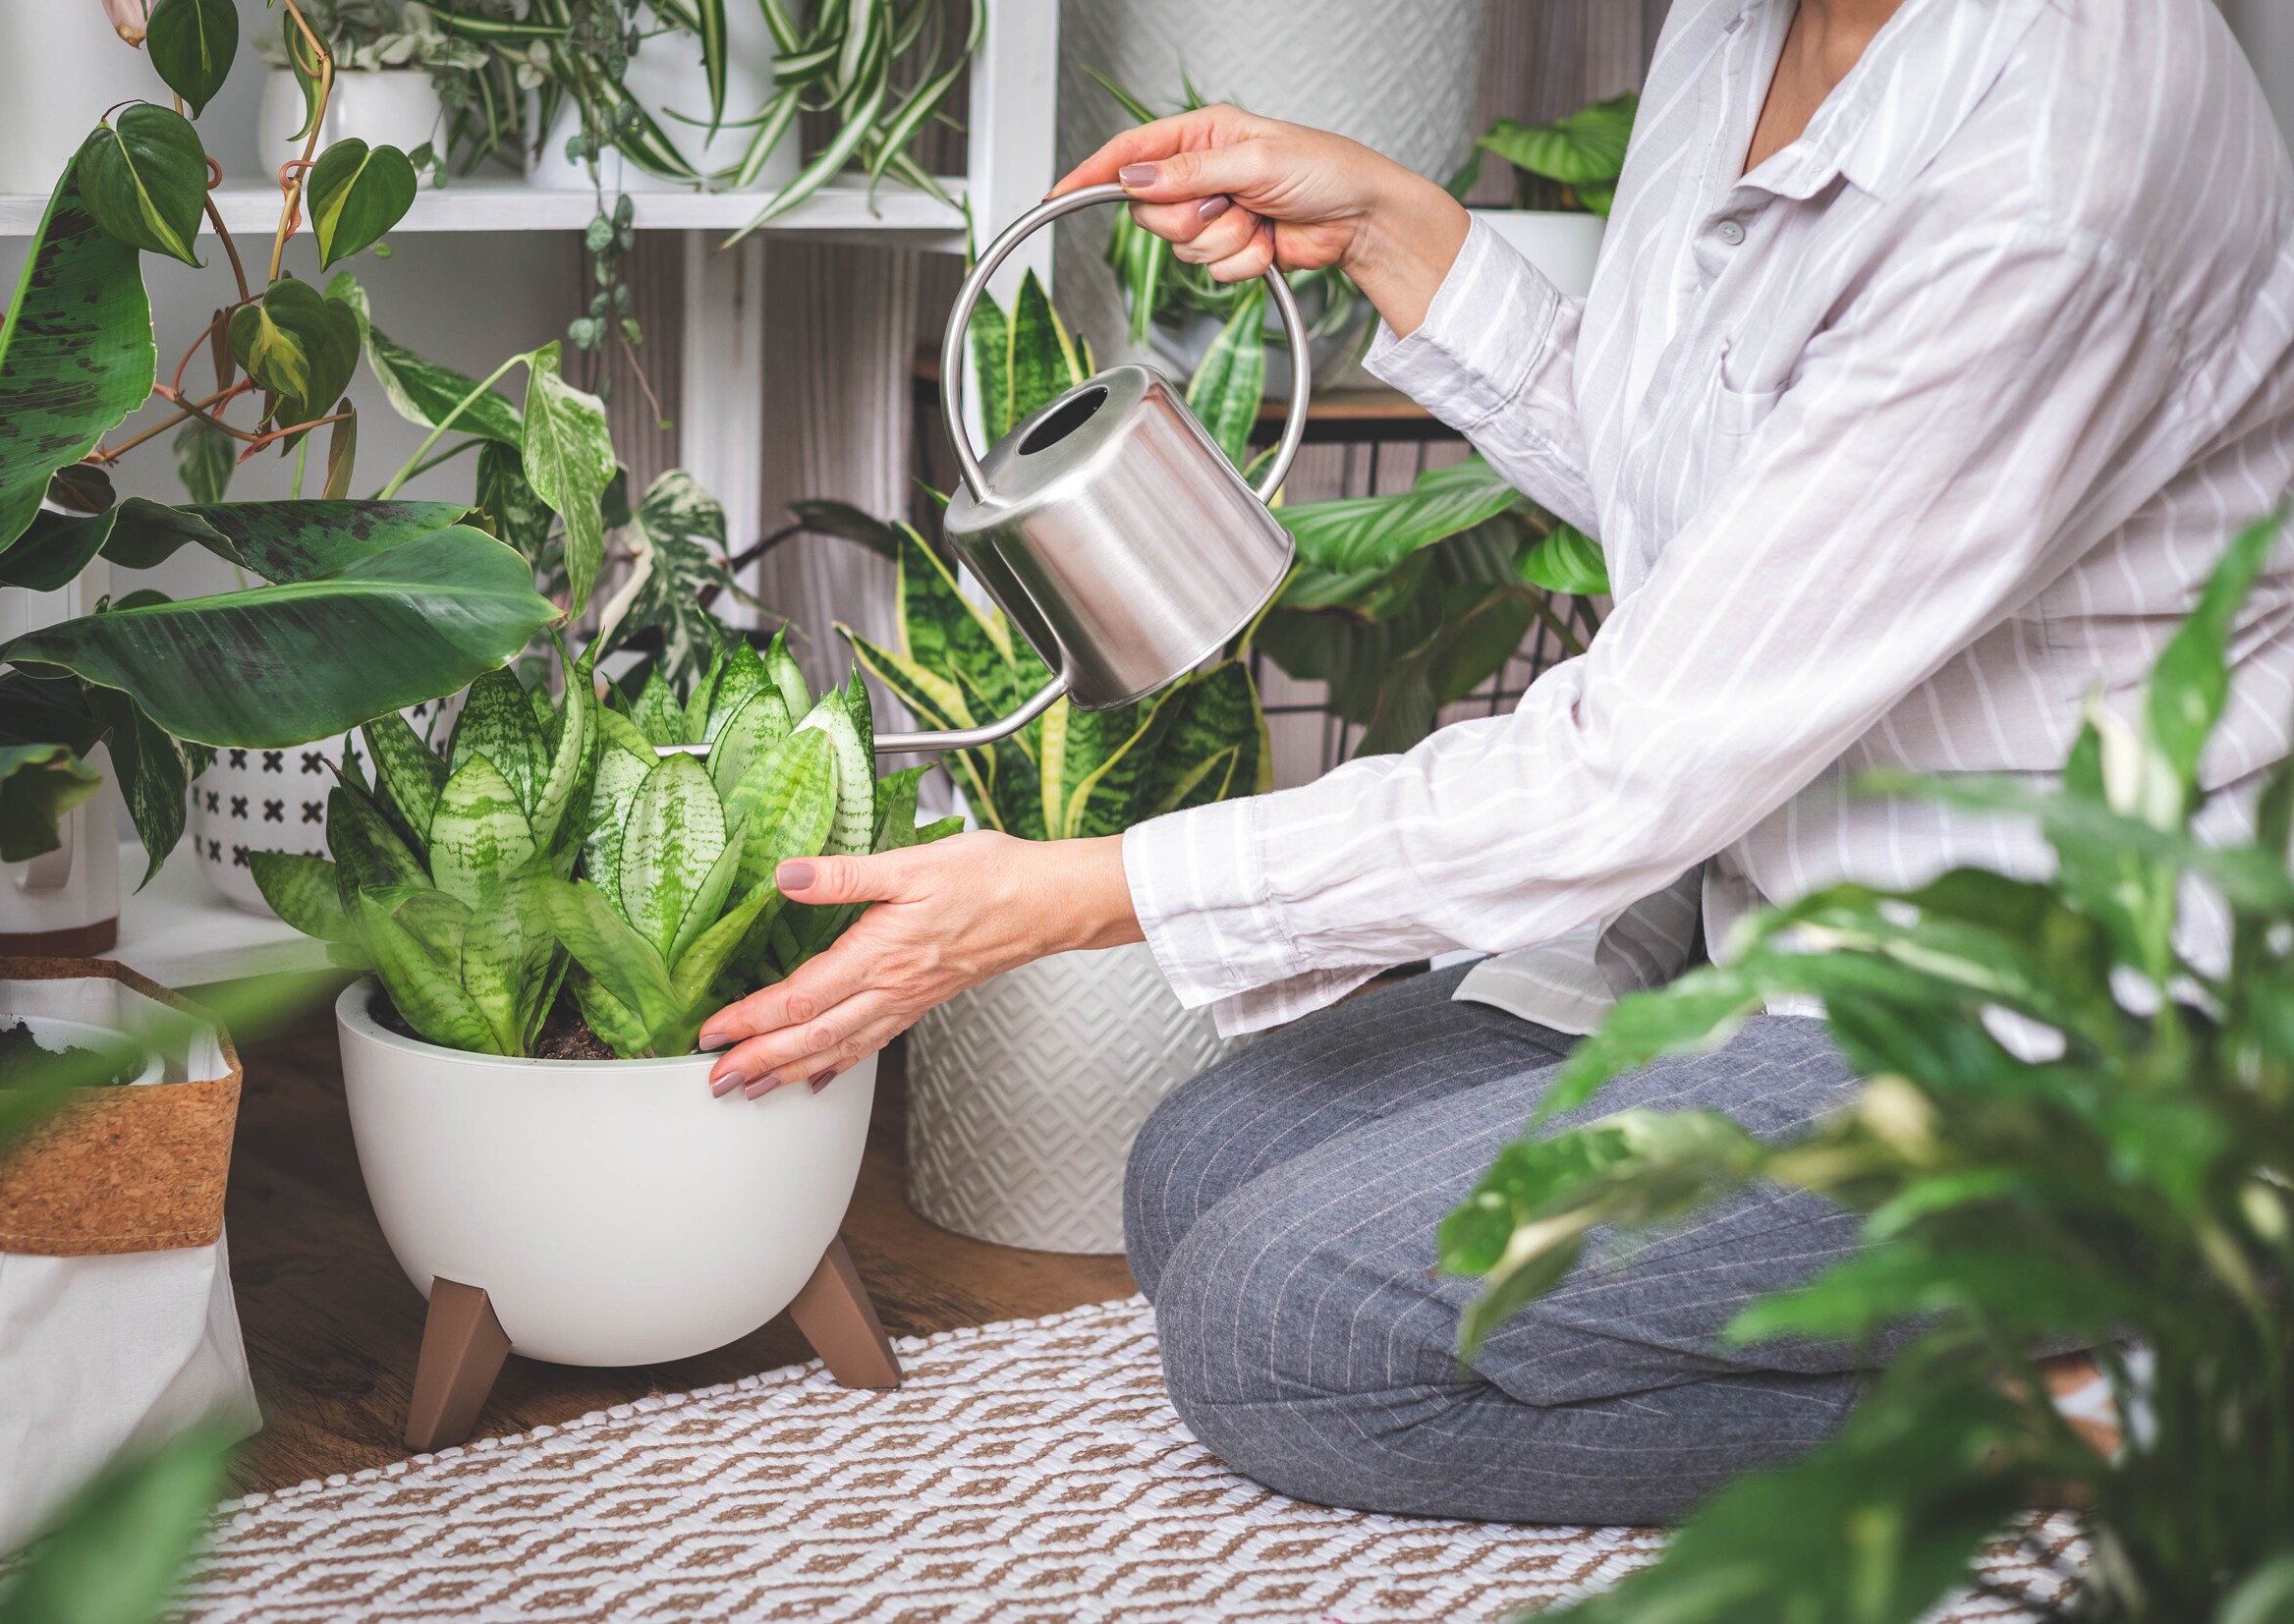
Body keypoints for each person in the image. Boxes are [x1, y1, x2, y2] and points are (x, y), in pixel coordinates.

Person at [697, 0, 2294, 1524]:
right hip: (1783, 906)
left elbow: (1634, 763)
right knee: (1202, 1173)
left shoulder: (2059, 155)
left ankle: (2122, 1395)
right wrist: (1391, 231)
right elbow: (1731, 517)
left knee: (1289, 1333)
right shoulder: (1740, 28)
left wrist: (1069, 890)